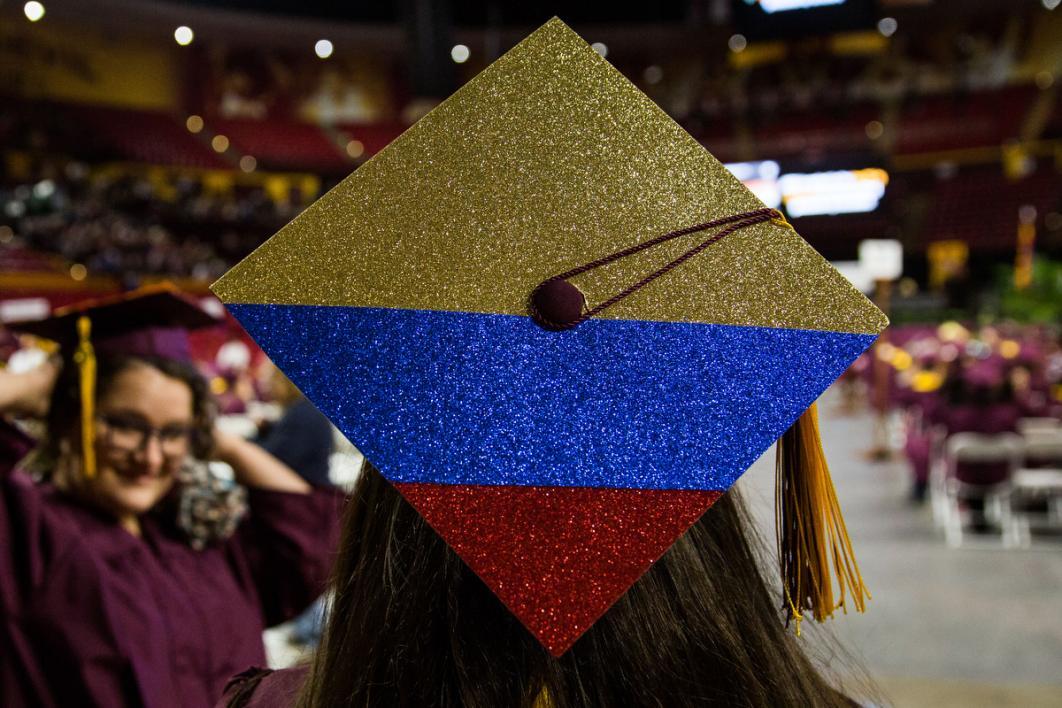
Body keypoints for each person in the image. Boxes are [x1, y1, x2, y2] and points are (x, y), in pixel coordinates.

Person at [0, 286, 345, 707]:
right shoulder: (26, 532)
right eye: (126, 425)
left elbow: (307, 543)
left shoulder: (197, 536)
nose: (151, 456)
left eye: (172, 432)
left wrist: (224, 444)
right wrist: (29, 386)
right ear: (73, 415)